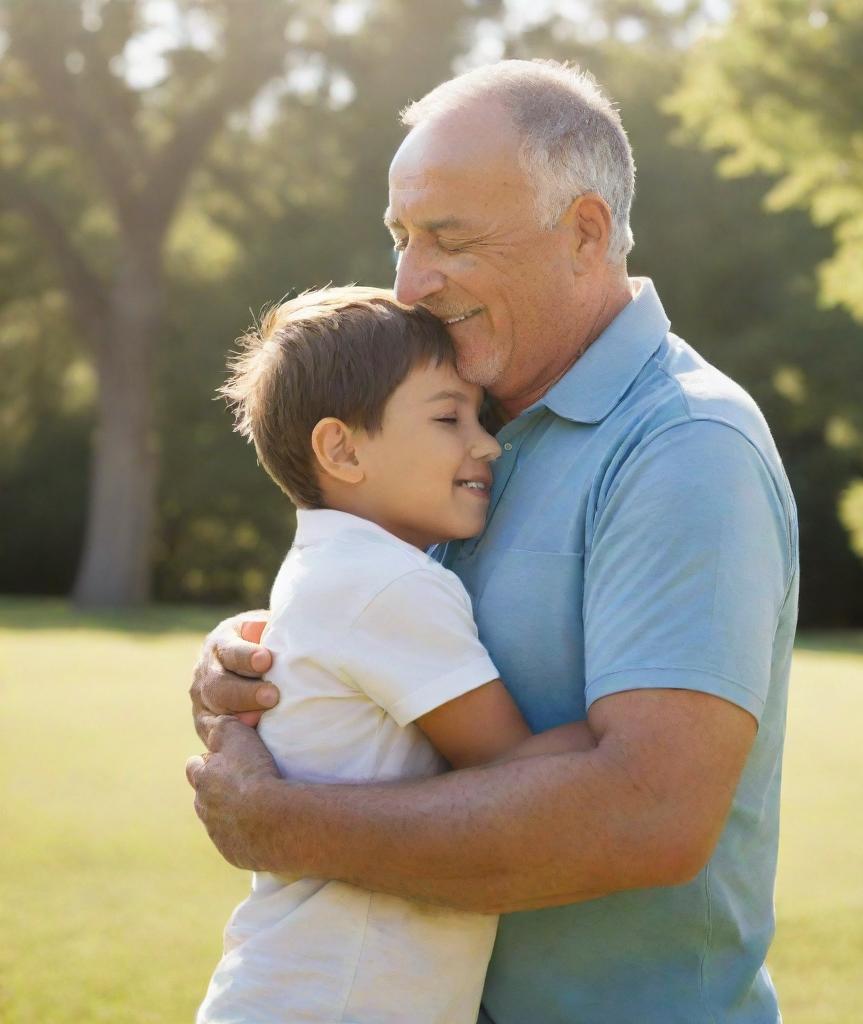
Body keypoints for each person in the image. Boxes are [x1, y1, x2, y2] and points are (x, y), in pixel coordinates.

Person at [188, 60, 799, 1023]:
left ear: (585, 232)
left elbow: (652, 816)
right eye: (399, 238)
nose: (409, 282)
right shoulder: (466, 427)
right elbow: (384, 634)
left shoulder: (686, 447)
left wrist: (284, 824)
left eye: (449, 239)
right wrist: (264, 659)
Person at [196, 286, 595, 1023]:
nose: (486, 443)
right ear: (341, 449)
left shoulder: (331, 567)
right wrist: (630, 738)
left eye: (480, 417)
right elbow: (509, 768)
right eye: (449, 418)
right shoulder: (392, 583)